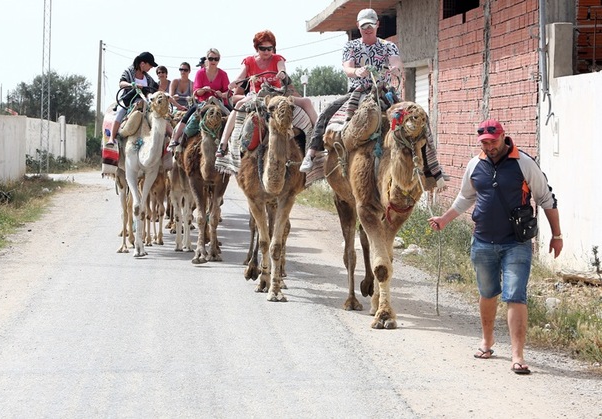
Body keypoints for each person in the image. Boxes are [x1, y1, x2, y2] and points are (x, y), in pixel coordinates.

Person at [428, 118, 563, 375]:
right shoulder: (475, 165)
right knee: (487, 293)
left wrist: (557, 235)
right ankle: (487, 342)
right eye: (484, 143)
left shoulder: (523, 163)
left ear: (503, 137)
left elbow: (546, 198)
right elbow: (465, 197)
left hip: (516, 242)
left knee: (515, 294)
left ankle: (517, 356)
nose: (488, 147)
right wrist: (444, 220)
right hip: (482, 241)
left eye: (492, 142)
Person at [299, 8, 403, 172]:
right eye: (363, 26)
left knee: (414, 115)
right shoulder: (351, 46)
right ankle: (312, 154)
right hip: (358, 90)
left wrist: (394, 69)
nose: (367, 29)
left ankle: (430, 168)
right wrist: (357, 71)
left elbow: (396, 63)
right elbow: (348, 68)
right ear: (358, 26)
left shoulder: (388, 46)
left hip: (384, 92)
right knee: (327, 112)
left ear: (377, 24)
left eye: (370, 25)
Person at [215, 30, 318, 158]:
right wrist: (233, 84)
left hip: (277, 96)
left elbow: (282, 69)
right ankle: (223, 144)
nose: (266, 51)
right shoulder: (248, 62)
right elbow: (240, 78)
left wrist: (282, 74)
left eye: (270, 48)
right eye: (262, 48)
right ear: (256, 48)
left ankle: (320, 135)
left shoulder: (277, 59)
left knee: (306, 101)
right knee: (240, 104)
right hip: (256, 96)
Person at [168, 49, 230, 148]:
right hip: (203, 103)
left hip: (219, 103)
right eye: (211, 59)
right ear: (207, 59)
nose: (213, 61)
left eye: (216, 59)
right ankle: (176, 140)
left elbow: (228, 92)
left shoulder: (223, 74)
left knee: (232, 117)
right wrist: (204, 90)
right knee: (188, 116)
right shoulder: (200, 73)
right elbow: (196, 92)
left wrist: (221, 94)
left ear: (219, 60)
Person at [106, 52, 159, 147]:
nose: (150, 68)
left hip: (145, 103)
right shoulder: (128, 72)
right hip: (129, 101)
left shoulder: (148, 78)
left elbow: (157, 88)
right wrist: (132, 85)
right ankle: (111, 138)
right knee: (121, 111)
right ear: (143, 63)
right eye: (150, 65)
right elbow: (121, 83)